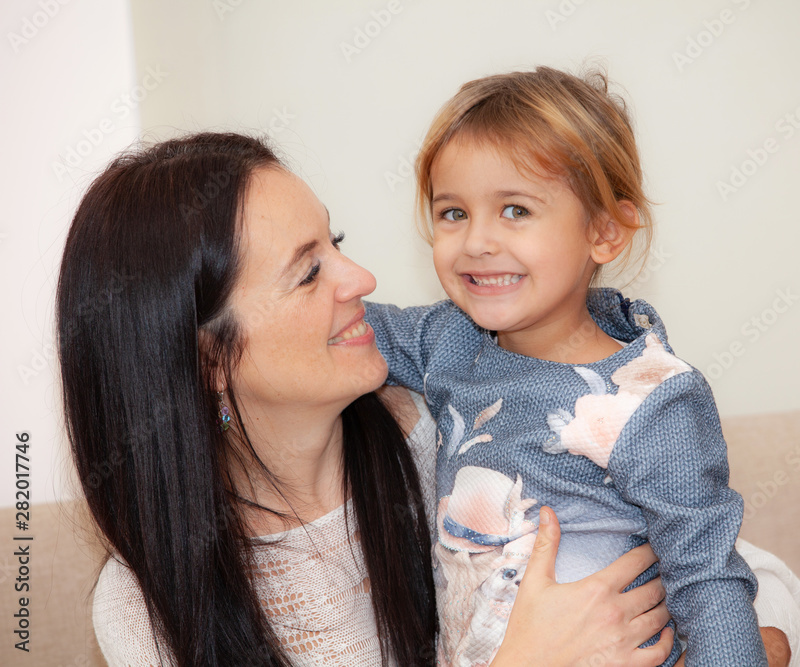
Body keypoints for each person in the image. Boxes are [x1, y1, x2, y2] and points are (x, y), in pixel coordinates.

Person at [57, 132, 675, 666]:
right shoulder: (147, 608)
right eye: (308, 273)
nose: (360, 279)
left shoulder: (450, 428)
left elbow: (737, 571)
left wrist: (767, 640)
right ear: (209, 359)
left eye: (336, 241)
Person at [363, 67, 764, 666]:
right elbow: (340, 326)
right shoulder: (447, 338)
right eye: (452, 213)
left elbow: (707, 581)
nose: (476, 241)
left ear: (604, 233)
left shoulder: (652, 399)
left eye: (515, 210)